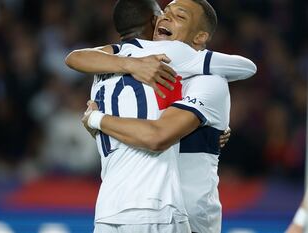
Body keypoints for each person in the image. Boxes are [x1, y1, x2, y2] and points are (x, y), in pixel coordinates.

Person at [70, 0, 256, 232]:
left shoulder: (209, 80)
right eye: (164, 12)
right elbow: (151, 134)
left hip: (192, 217)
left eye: (180, 16)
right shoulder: (147, 66)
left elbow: (75, 58)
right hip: (157, 208)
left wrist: (96, 121)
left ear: (199, 37)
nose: (166, 18)